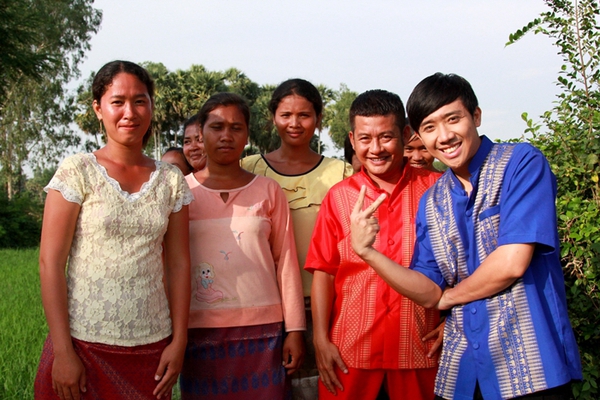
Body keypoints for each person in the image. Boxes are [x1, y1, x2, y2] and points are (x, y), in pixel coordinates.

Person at [350, 73, 582, 400]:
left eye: (453, 119)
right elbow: (428, 290)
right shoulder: (433, 199)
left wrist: (450, 297)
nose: (443, 136)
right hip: (461, 372)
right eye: (429, 127)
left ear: (475, 116)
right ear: (418, 135)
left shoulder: (521, 163)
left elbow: (512, 262)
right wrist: (368, 252)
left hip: (530, 366)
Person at [34, 60, 193, 400]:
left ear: (151, 106)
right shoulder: (78, 171)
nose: (129, 112)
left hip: (151, 346)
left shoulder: (170, 180)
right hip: (83, 343)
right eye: (117, 101)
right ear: (98, 108)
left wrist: (178, 341)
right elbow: (50, 263)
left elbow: (178, 264)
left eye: (140, 100)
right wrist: (64, 352)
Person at [305, 89, 442, 400]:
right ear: (352, 140)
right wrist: (321, 341)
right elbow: (323, 273)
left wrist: (456, 322)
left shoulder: (437, 190)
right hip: (350, 350)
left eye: (386, 137)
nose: (376, 149)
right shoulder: (339, 197)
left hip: (419, 346)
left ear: (405, 134)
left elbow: (465, 264)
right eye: (365, 139)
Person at [180, 93, 306, 399]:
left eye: (236, 128)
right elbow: (169, 264)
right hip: (198, 333)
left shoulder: (268, 190)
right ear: (202, 133)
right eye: (217, 127)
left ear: (247, 134)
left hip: (264, 334)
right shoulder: (180, 192)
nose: (226, 136)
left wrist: (295, 330)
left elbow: (286, 262)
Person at [241, 78, 353, 397]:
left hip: (327, 305)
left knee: (320, 388)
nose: (294, 123)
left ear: (318, 120)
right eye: (285, 114)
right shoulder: (249, 169)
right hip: (266, 307)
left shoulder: (340, 174)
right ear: (272, 117)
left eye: (304, 115)